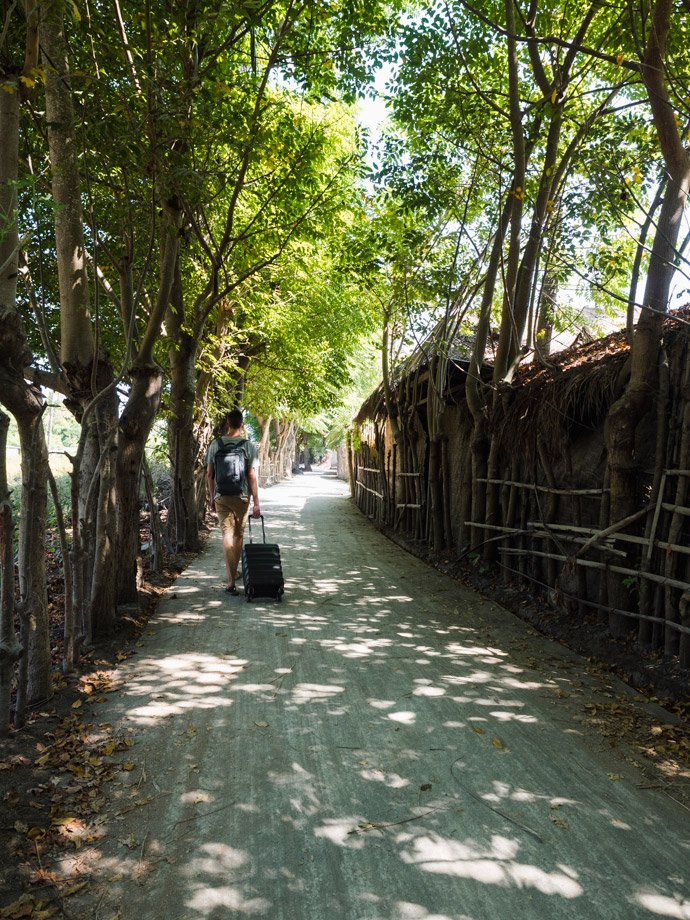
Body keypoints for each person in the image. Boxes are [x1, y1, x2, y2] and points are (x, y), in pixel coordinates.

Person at [206, 409, 261, 595]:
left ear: (227, 424)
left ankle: (231, 579)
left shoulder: (216, 444)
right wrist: (256, 503)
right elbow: (252, 475)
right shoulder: (248, 446)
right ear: (242, 425)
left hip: (221, 496)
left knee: (226, 535)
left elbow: (209, 474)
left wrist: (213, 497)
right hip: (242, 496)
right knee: (238, 536)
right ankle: (233, 574)